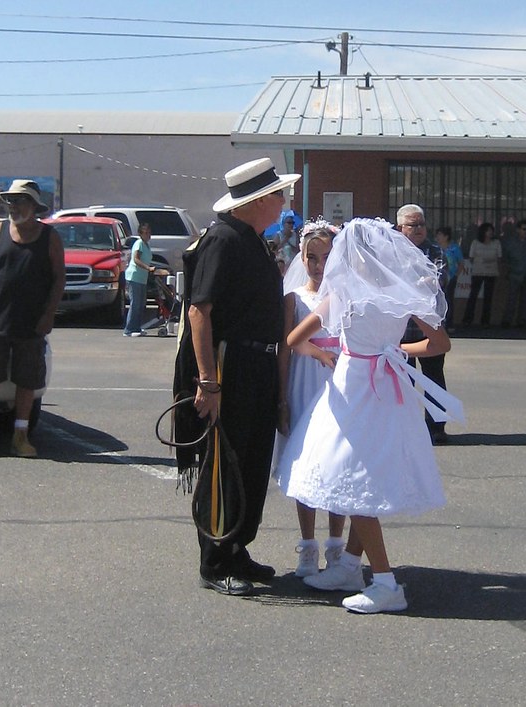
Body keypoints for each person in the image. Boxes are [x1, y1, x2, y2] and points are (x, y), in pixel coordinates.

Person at [276, 217, 463, 614]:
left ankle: (385, 581)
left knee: (350, 476)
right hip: (388, 390)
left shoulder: (343, 294)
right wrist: (397, 352)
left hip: (353, 390)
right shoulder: (403, 292)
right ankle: (348, 565)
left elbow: (294, 339)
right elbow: (440, 342)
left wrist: (342, 352)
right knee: (369, 476)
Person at [172, 157, 300, 596]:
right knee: (224, 463)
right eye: (277, 196)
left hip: (258, 366)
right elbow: (198, 311)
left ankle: (238, 548)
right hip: (231, 367)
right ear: (257, 201)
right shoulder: (223, 240)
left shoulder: (252, 240)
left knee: (251, 460)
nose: (282, 203)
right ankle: (215, 560)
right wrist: (208, 381)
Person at [0, 179, 65, 459]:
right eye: (10, 201)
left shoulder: (49, 238)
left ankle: (21, 437)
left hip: (32, 323)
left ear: (33, 206)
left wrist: (48, 315)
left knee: (27, 380)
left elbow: (59, 280)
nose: (13, 206)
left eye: (19, 200)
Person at [273, 220, 346, 577]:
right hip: (304, 382)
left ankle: (336, 544)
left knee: (338, 462)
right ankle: (307, 545)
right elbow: (285, 349)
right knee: (305, 461)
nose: (318, 266)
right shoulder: (294, 299)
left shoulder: (345, 297)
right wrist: (282, 397)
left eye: (326, 258)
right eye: (311, 258)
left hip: (339, 383)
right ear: (301, 258)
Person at [396, 204, 451, 444]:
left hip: (429, 328)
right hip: (400, 328)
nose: (418, 229)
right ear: (400, 228)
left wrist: (412, 283)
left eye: (421, 224)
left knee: (433, 378)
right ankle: (405, 426)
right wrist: (418, 282)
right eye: (412, 225)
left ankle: (437, 427)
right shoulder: (391, 251)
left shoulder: (435, 251)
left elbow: (438, 280)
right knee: (402, 380)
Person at [123, 223, 164, 337]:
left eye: (149, 233)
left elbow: (147, 260)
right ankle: (129, 330)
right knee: (135, 303)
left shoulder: (146, 245)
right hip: (134, 277)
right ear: (140, 234)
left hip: (142, 278)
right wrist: (148, 268)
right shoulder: (139, 244)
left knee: (141, 304)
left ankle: (137, 327)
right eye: (145, 233)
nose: (148, 235)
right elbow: (136, 259)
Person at [500, 219, 526, 328]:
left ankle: (522, 320)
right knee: (511, 299)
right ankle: (507, 320)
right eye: (523, 229)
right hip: (515, 274)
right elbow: (505, 258)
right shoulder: (510, 242)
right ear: (518, 230)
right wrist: (509, 269)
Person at [461, 222, 501, 328]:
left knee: (488, 297)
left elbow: (499, 257)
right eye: (488, 230)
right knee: (473, 295)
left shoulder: (496, 243)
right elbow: (471, 257)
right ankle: (468, 319)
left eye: (491, 230)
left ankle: (485, 320)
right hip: (478, 271)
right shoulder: (475, 242)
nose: (490, 233)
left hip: (491, 272)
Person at [434, 226, 463, 330]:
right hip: (436, 279)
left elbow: (460, 264)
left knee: (448, 300)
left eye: (440, 235)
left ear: (446, 237)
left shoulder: (454, 248)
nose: (437, 237)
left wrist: (455, 275)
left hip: (450, 279)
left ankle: (449, 324)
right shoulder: (435, 248)